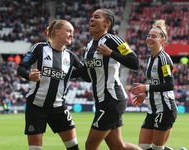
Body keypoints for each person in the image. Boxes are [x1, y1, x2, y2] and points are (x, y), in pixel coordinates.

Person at [72, 8, 141, 150]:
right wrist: (60, 74)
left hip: (112, 99)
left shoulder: (113, 40)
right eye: (91, 17)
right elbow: (87, 74)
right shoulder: (89, 46)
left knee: (90, 145)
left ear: (107, 24)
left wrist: (110, 53)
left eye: (96, 17)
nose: (91, 19)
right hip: (102, 101)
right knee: (118, 146)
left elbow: (134, 62)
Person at [17, 20, 82, 150]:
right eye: (69, 31)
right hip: (36, 106)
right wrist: (29, 76)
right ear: (57, 31)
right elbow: (21, 68)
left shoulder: (71, 56)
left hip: (58, 107)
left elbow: (85, 73)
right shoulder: (40, 49)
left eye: (73, 32)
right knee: (35, 149)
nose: (71, 35)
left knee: (73, 147)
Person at [131, 19, 177, 150]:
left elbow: (169, 85)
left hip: (165, 108)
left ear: (162, 40)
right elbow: (156, 83)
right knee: (143, 146)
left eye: (154, 36)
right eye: (149, 36)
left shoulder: (164, 59)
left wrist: (146, 87)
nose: (149, 38)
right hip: (153, 109)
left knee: (157, 148)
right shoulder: (150, 58)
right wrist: (145, 93)